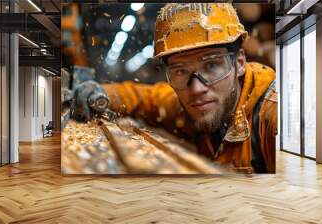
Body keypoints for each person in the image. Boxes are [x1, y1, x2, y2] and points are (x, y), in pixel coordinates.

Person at [73, 3, 277, 173]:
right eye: (180, 71)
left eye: (212, 65)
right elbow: (147, 98)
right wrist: (101, 92)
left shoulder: (272, 117)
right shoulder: (191, 105)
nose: (196, 88)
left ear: (239, 63)